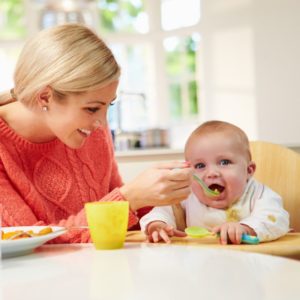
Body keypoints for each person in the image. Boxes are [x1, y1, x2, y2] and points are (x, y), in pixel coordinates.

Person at [0, 24, 192, 243]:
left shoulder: (92, 130)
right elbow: (28, 242)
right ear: (45, 97)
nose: (101, 123)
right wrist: (130, 198)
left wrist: (157, 212)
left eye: (108, 106)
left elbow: (122, 220)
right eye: (92, 109)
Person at [140, 120, 290, 244]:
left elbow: (275, 218)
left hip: (248, 264)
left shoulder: (258, 194)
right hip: (200, 266)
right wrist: (157, 225)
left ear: (248, 170)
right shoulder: (187, 195)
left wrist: (246, 228)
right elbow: (161, 211)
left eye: (224, 162)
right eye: (200, 166)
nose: (212, 173)